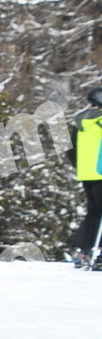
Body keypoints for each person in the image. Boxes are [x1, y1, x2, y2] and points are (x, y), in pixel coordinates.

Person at [70, 87, 102, 269]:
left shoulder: (80, 121)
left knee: (94, 212)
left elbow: (71, 150)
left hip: (86, 173)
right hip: (100, 172)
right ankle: (97, 252)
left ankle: (85, 249)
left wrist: (80, 167)